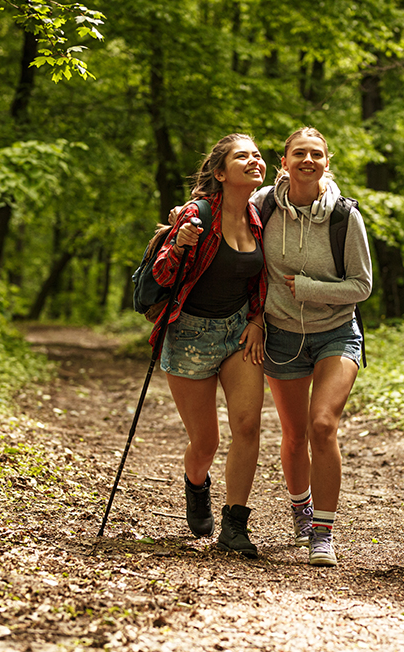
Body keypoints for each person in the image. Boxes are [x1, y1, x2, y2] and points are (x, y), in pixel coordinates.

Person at [249, 127, 373, 567]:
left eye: (316, 154)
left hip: (337, 331)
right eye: (298, 153)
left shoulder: (344, 216)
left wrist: (308, 287)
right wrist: (257, 320)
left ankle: (323, 531)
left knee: (322, 426)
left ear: (327, 161)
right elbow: (241, 257)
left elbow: (362, 285)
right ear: (283, 162)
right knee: (294, 433)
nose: (307, 159)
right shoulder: (261, 207)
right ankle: (300, 508)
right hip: (281, 335)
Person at [150, 133, 269, 558]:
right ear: (220, 172)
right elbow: (162, 278)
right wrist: (178, 245)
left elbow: (261, 278)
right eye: (243, 156)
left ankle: (235, 525)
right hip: (189, 337)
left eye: (257, 155)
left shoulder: (259, 216)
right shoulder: (196, 215)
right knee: (206, 443)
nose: (255, 160)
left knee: (249, 425)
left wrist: (256, 318)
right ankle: (196, 484)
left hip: (239, 334)